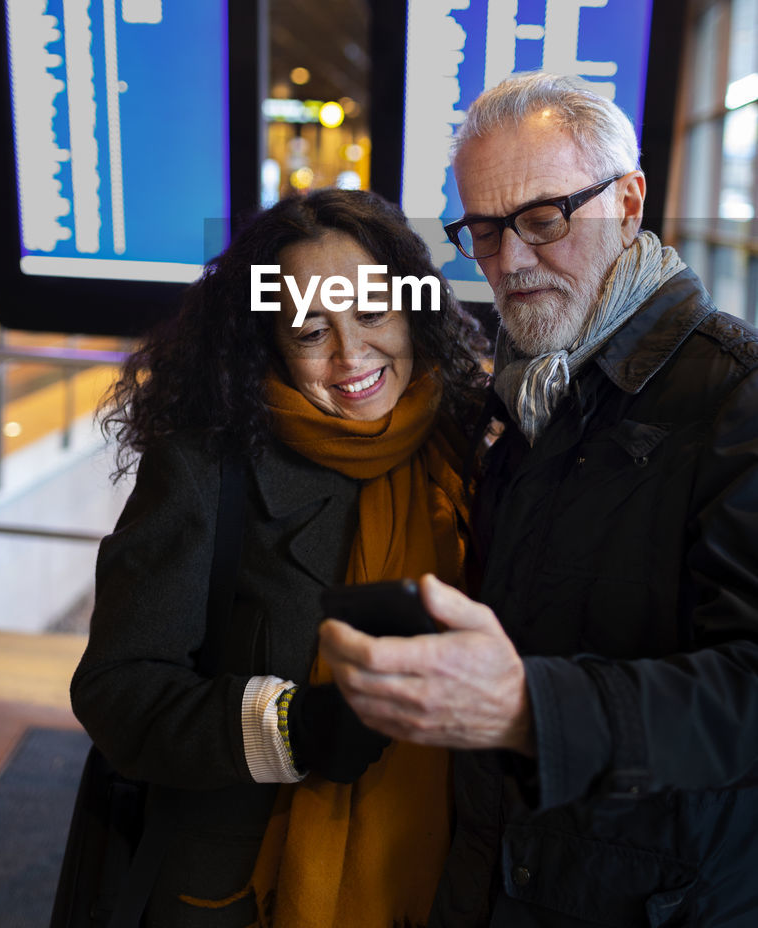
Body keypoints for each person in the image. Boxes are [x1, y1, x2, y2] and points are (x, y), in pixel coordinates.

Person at [320, 72, 758, 927]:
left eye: (544, 218)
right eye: (481, 231)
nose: (510, 261)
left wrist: (531, 707)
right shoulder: (520, 390)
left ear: (628, 201)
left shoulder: (735, 401)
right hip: (494, 871)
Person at [70, 187, 488, 928]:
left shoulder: (471, 445)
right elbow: (116, 690)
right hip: (248, 886)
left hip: (442, 873)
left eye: (371, 312)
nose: (351, 355)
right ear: (266, 341)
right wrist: (284, 728)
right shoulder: (207, 467)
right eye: (309, 332)